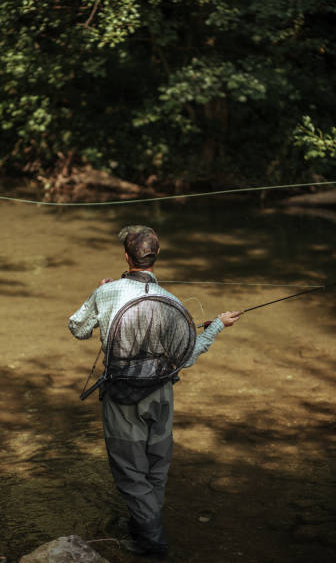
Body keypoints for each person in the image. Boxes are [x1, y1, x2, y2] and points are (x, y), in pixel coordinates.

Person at [68, 225, 241, 557]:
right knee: (156, 466)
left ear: (126, 257)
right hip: (161, 395)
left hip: (121, 398)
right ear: (156, 257)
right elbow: (186, 358)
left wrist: (97, 294)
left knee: (131, 473)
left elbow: (77, 328)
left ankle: (152, 544)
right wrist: (217, 325)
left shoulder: (107, 292)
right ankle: (144, 524)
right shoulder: (171, 301)